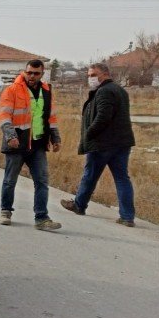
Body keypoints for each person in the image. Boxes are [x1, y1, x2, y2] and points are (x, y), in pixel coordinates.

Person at [60, 62, 136, 226]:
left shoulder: (104, 91)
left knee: (90, 175)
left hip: (103, 143)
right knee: (122, 178)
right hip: (122, 142)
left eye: (93, 75)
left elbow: (103, 117)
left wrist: (89, 134)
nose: (91, 79)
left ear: (105, 74)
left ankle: (79, 205)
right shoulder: (120, 90)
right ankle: (127, 216)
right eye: (89, 76)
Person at [0, 59, 62, 230]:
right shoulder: (11, 90)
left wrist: (56, 138)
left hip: (38, 144)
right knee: (10, 180)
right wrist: (10, 136)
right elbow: (4, 117)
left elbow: (51, 117)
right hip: (17, 143)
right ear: (24, 72)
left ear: (42, 74)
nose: (32, 76)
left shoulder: (46, 91)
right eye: (29, 72)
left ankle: (42, 218)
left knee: (42, 181)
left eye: (36, 73)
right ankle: (5, 211)